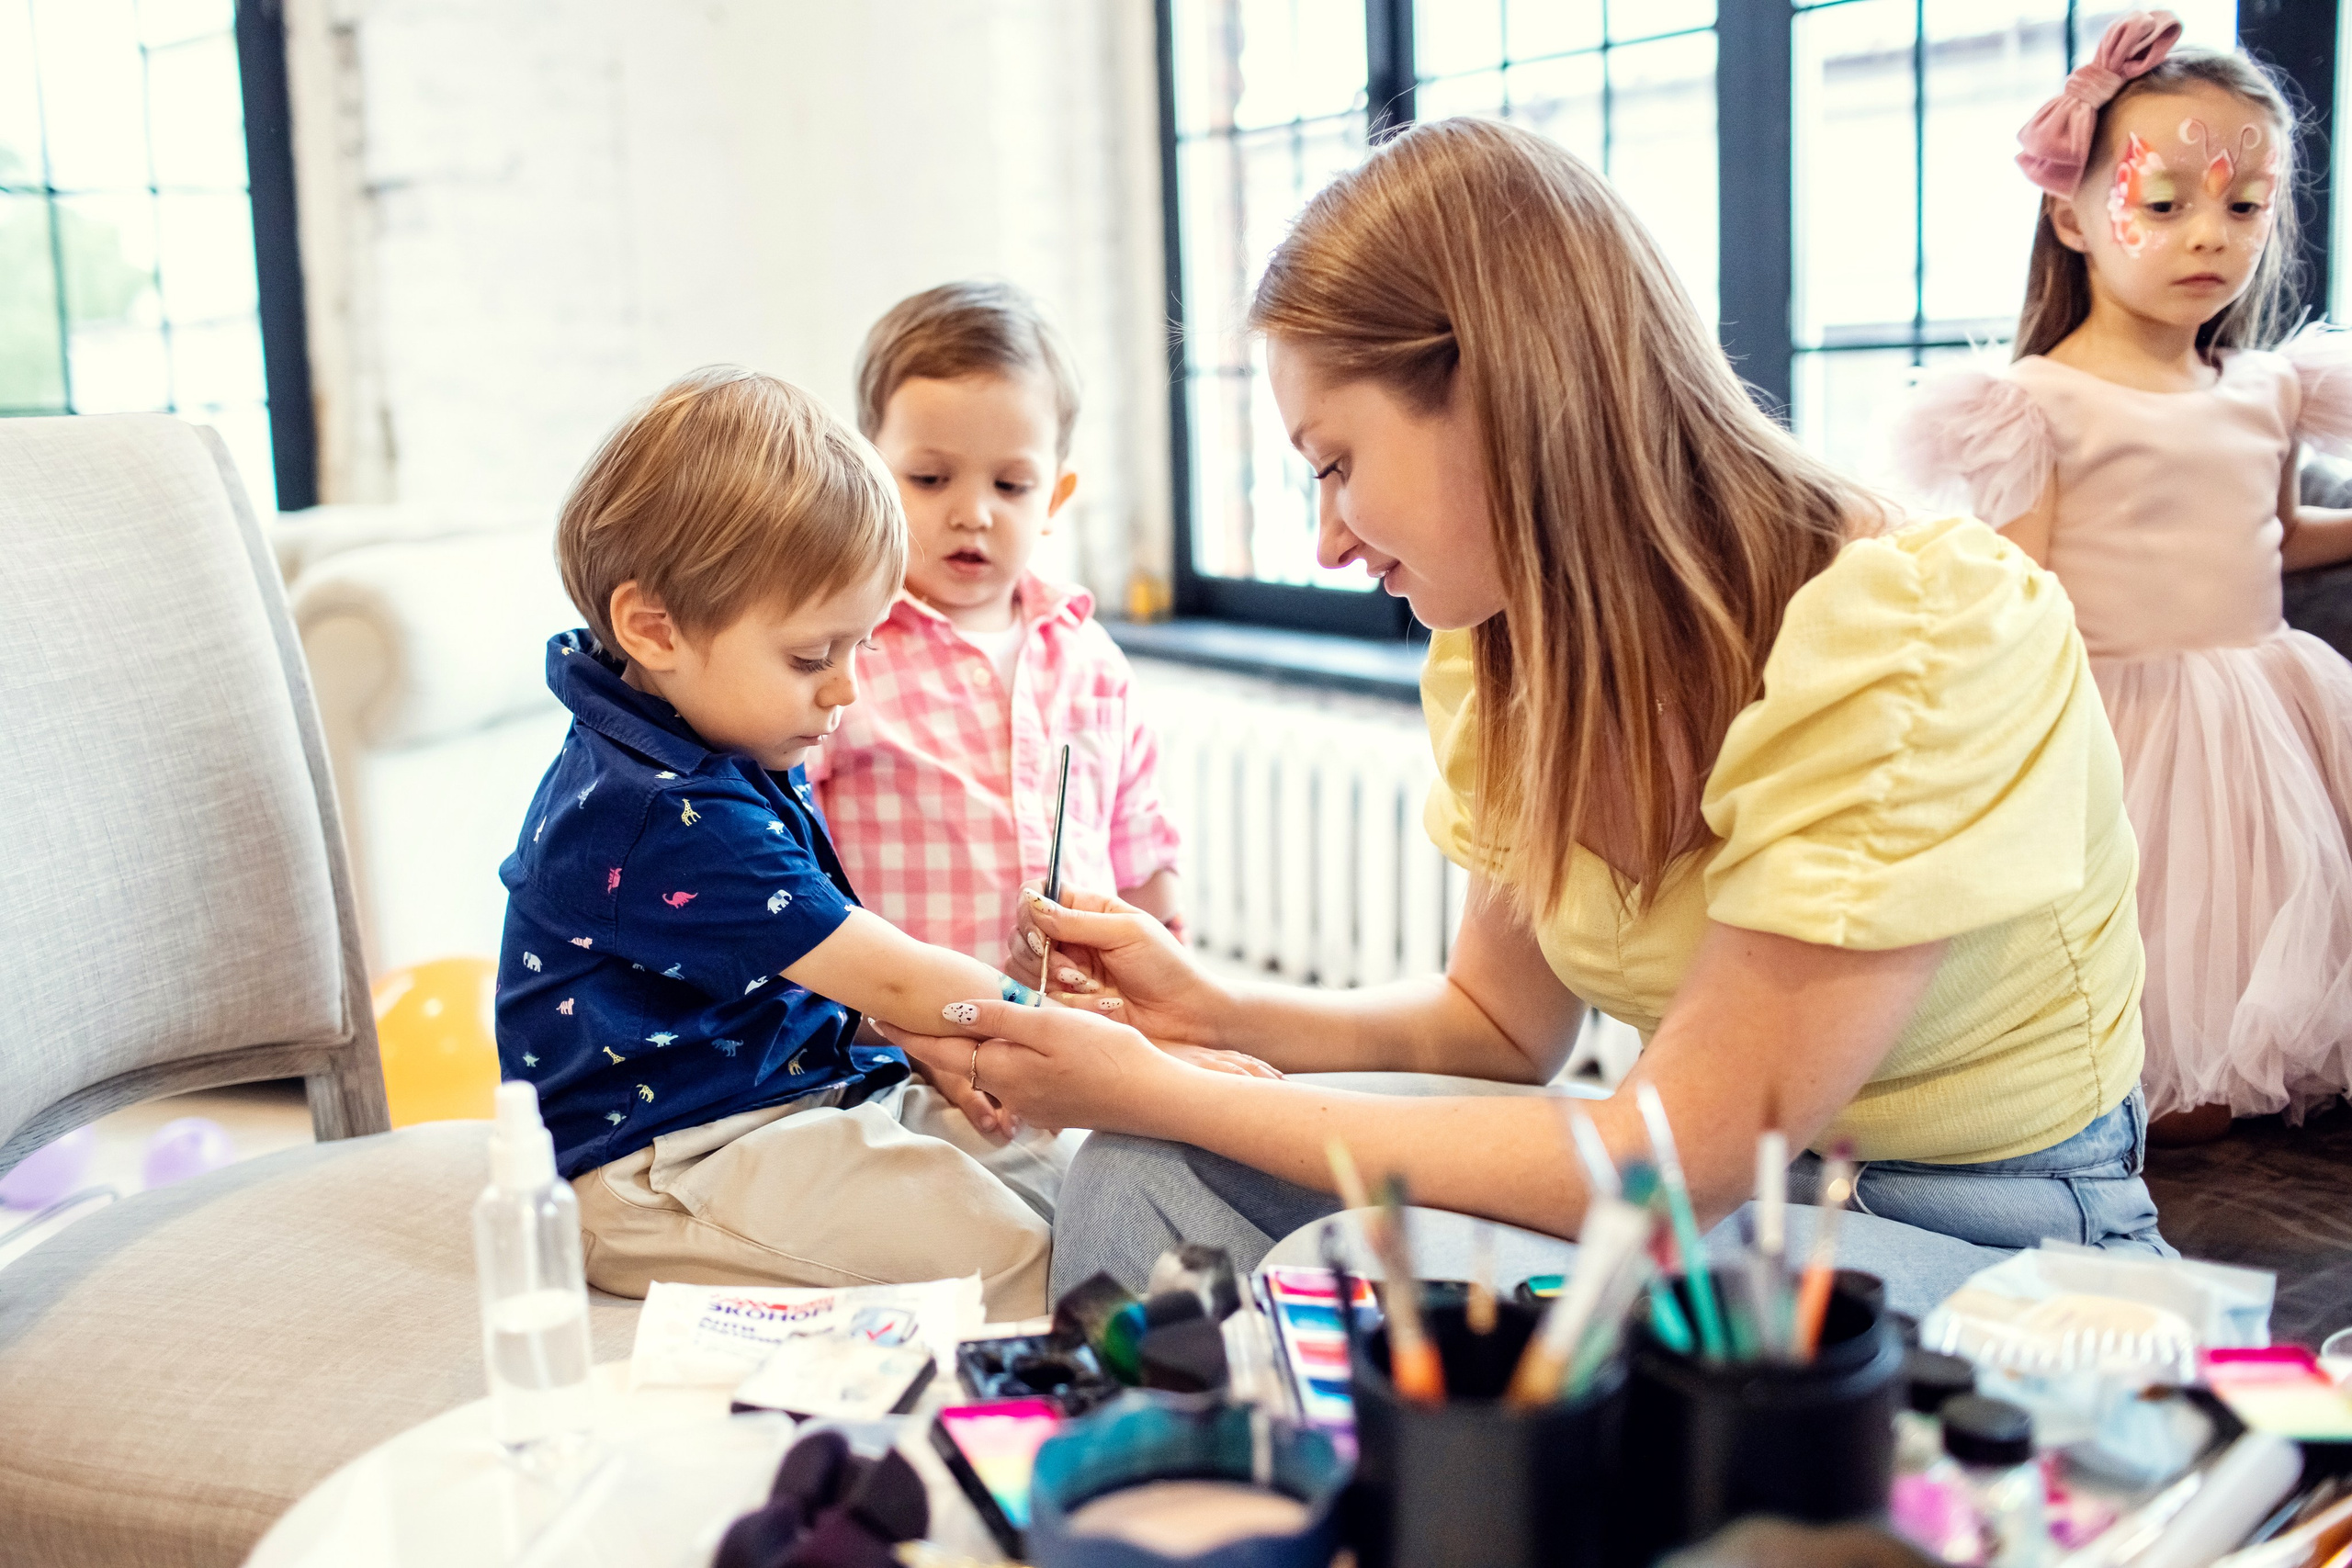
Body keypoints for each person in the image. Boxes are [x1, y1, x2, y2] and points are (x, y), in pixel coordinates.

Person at [879, 117, 2172, 1318]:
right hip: (1723, 1197)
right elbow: (1499, 1030)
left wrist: (1165, 1078)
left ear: (1502, 392)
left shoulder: (1918, 632)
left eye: (1336, 463)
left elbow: (1669, 1164)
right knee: (1140, 1167)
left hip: (1991, 1232)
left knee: (1352, 1264)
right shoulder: (1504, 644)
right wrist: (1211, 1020)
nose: (1329, 539)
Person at [492, 367, 1261, 1317]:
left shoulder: (711, 736)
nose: (846, 690)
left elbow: (791, 985)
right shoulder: (658, 810)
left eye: (860, 648)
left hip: (799, 1099)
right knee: (1018, 1259)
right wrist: (1140, 1060)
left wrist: (913, 1045)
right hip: (663, 1168)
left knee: (1058, 1172)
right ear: (652, 628)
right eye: (814, 657)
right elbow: (894, 974)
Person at [1896, 12, 2352, 1144]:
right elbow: (2016, 595)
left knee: (2262, 966)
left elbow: (2275, 534)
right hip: (2119, 721)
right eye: (2164, 204)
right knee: (2149, 1022)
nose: (2211, 234)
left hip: (2259, 715)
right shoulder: (2038, 402)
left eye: (2242, 206)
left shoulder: (2267, 389)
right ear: (2074, 216)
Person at [806, 282, 1184, 972]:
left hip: (1077, 1034)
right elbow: (776, 859)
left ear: (1053, 497)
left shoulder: (1092, 661)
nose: (973, 513)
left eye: (1009, 486)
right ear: (867, 474)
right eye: (929, 478)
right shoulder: (834, 658)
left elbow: (1141, 858)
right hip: (896, 1045)